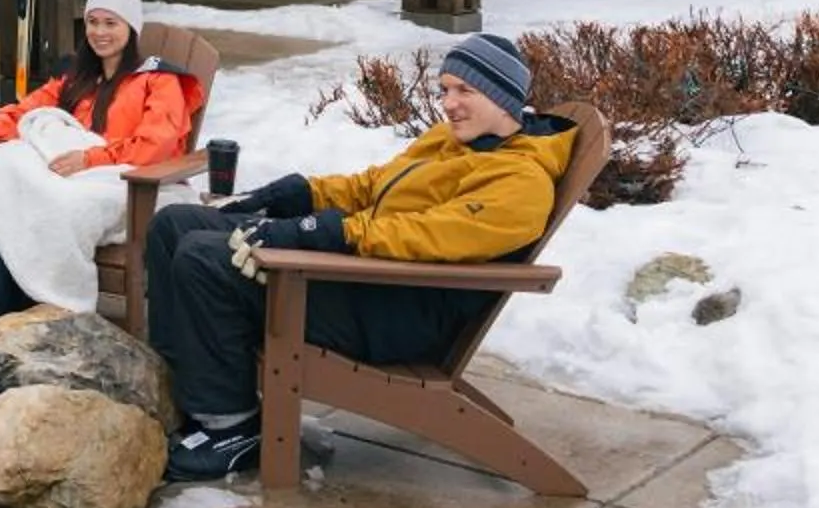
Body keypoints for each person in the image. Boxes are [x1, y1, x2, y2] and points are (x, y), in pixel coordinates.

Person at [144, 31, 579, 480]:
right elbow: (372, 186)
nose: (449, 104)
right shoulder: (451, 141)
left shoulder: (520, 182)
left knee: (204, 259)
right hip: (365, 279)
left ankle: (231, 428)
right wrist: (297, 195)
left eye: (465, 90)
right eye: (445, 89)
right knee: (175, 224)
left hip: (398, 310)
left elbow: (424, 235)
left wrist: (316, 233)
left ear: (503, 99)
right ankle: (178, 391)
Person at [0, 0, 207, 337]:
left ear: (131, 28)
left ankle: (49, 301)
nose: (99, 32)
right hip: (72, 174)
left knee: (57, 203)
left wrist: (90, 159)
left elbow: (154, 145)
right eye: (93, 22)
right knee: (4, 179)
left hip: (132, 184)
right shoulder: (78, 78)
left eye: (111, 23)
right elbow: (26, 113)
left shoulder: (159, 80)